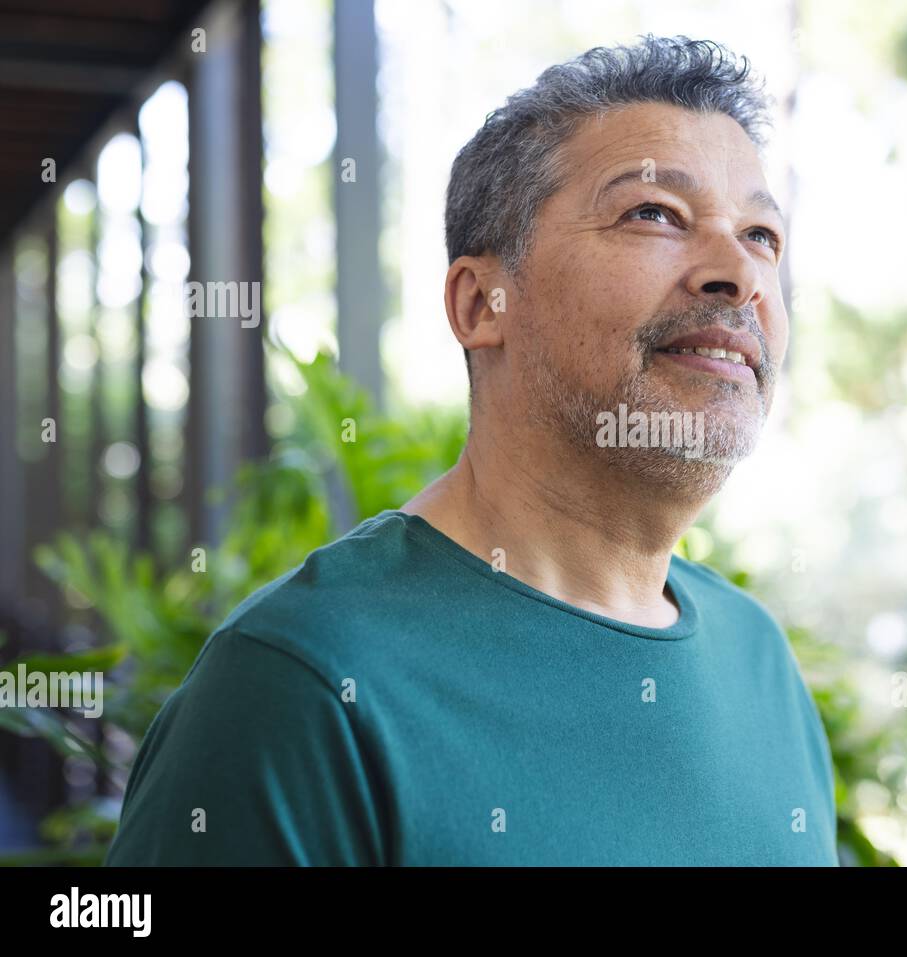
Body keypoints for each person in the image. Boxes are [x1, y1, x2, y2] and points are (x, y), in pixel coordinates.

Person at [105, 33, 838, 866]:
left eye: (762, 236)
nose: (736, 274)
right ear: (481, 303)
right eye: (654, 214)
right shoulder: (300, 685)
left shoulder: (760, 661)